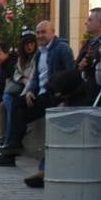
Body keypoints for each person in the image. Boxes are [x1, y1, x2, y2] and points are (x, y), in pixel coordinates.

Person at [15, 19, 76, 188]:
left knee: (51, 135)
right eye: (38, 32)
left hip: (55, 96)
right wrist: (30, 90)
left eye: (43, 32)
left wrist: (62, 95)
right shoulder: (40, 53)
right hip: (41, 94)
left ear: (53, 32)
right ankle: (13, 144)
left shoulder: (62, 49)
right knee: (16, 104)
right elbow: (36, 77)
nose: (40, 36)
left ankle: (43, 169)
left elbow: (70, 72)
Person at [0, 29, 38, 167]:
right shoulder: (19, 59)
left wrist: (26, 82)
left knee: (9, 102)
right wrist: (24, 79)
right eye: (26, 43)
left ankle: (9, 144)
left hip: (32, 93)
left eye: (32, 43)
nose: (29, 46)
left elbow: (34, 77)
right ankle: (4, 142)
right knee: (4, 104)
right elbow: (17, 75)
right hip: (21, 91)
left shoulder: (38, 56)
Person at [77, 7, 101, 103]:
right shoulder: (88, 43)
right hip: (83, 91)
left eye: (90, 20)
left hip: (95, 94)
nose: (86, 23)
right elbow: (77, 65)